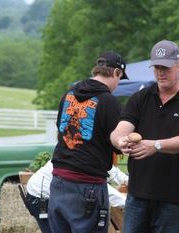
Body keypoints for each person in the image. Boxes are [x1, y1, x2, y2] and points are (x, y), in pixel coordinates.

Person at [110, 39, 179, 233]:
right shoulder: (140, 98)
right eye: (156, 67)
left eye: (166, 67)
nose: (160, 72)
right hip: (138, 193)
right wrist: (120, 141)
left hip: (174, 196)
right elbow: (121, 128)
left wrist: (156, 145)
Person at [48, 51, 128, 233]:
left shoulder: (68, 95)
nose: (117, 85)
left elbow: (61, 129)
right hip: (87, 183)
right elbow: (117, 142)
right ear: (116, 73)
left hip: (59, 181)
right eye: (120, 78)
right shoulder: (109, 102)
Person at [24, 160, 128, 233]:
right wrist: (129, 203)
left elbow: (112, 171)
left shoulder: (97, 153)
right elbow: (102, 191)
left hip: (57, 194)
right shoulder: (82, 158)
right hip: (40, 196)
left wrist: (130, 182)